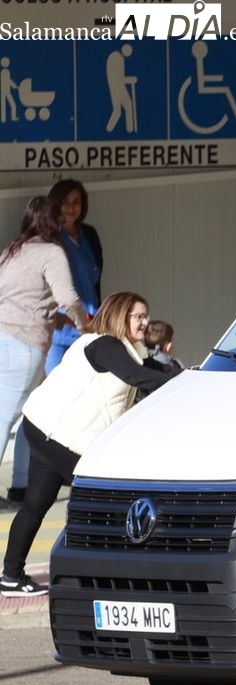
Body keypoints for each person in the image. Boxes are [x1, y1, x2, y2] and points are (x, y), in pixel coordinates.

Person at [0, 292, 181, 597]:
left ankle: (10, 576)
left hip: (47, 429)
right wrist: (180, 383)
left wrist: (190, 377)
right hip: (56, 434)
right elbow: (137, 376)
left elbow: (154, 368)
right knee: (106, 498)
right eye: (138, 316)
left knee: (37, 504)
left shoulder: (126, 348)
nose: (145, 322)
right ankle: (102, 576)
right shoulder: (104, 345)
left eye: (146, 316)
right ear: (120, 316)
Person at [8, 179, 105, 505]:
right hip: (52, 335)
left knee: (78, 406)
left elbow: (93, 283)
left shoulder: (86, 236)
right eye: (65, 202)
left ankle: (66, 471)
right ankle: (23, 482)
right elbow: (65, 295)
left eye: (77, 201)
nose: (71, 207)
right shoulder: (49, 245)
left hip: (79, 329)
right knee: (37, 408)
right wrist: (75, 320)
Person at [0, 197, 86, 513]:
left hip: (2, 338)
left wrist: (55, 317)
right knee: (7, 418)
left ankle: (20, 486)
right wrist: (84, 322)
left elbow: (17, 297)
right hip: (24, 344)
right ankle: (22, 485)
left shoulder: (12, 251)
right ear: (55, 222)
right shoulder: (51, 252)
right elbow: (67, 297)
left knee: (21, 416)